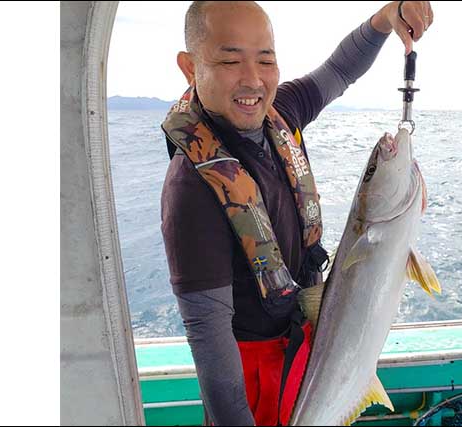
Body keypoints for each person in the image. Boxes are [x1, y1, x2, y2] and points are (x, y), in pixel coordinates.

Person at [160, 1, 433, 425]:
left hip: (312, 344)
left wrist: (384, 20)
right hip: (253, 384)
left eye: (266, 59)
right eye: (230, 59)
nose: (253, 78)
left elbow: (339, 71)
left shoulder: (280, 113)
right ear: (191, 67)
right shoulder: (190, 189)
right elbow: (210, 341)